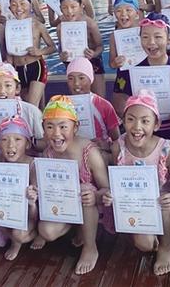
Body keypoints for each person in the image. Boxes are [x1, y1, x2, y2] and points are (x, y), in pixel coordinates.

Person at [102, 90, 170, 276]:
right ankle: (151, 239)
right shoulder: (119, 147)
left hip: (165, 207)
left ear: (156, 125)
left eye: (145, 121)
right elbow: (116, 183)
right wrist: (110, 195)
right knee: (144, 244)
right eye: (131, 119)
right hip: (136, 205)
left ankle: (166, 247)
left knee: (163, 202)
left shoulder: (166, 150)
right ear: (123, 121)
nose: (137, 127)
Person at [33, 95, 109, 276]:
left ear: (75, 128)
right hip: (64, 205)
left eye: (63, 127)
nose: (56, 133)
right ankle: (78, 228)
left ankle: (90, 247)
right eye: (50, 127)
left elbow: (106, 189)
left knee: (85, 190)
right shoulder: (48, 153)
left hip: (91, 207)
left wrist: (96, 196)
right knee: (46, 231)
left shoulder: (88, 152)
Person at [113, 13, 170, 155]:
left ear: (169, 39)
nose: (151, 42)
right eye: (145, 37)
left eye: (158, 37)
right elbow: (118, 102)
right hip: (141, 136)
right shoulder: (129, 71)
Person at [0, 115, 38, 260]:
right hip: (5, 210)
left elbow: (37, 211)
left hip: (30, 215)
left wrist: (32, 202)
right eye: (5, 140)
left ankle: (24, 240)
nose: (10, 145)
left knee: (19, 234)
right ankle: (9, 235)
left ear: (27, 144)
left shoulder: (33, 165)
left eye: (17, 139)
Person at [7, 0, 56, 108]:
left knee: (31, 105)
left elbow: (52, 47)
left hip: (36, 67)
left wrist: (39, 51)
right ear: (9, 8)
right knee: (24, 106)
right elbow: (9, 52)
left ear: (30, 6)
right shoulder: (8, 27)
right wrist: (8, 68)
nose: (18, 8)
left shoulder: (38, 25)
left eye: (22, 4)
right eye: (14, 5)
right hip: (18, 69)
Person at [65, 58, 120, 160]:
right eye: (71, 78)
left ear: (91, 79)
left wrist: (105, 145)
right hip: (72, 153)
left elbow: (117, 140)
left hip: (99, 154)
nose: (76, 83)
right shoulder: (62, 105)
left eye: (81, 78)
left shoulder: (104, 105)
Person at [58, 0, 105, 97]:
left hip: (93, 61)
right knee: (78, 96)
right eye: (65, 8)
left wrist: (94, 53)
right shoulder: (61, 27)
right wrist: (62, 56)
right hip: (73, 63)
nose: (69, 11)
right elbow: (61, 48)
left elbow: (100, 46)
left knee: (99, 96)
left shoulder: (90, 24)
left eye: (73, 7)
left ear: (81, 6)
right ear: (60, 8)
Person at [0, 63, 44, 146]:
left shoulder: (31, 112)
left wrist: (27, 142)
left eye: (8, 85)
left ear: (17, 88)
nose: (2, 91)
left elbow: (43, 143)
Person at [108, 0, 143, 112]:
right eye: (119, 11)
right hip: (124, 75)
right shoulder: (114, 36)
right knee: (120, 109)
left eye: (128, 10)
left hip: (143, 72)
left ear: (137, 14)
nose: (123, 14)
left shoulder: (145, 31)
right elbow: (111, 64)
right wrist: (115, 63)